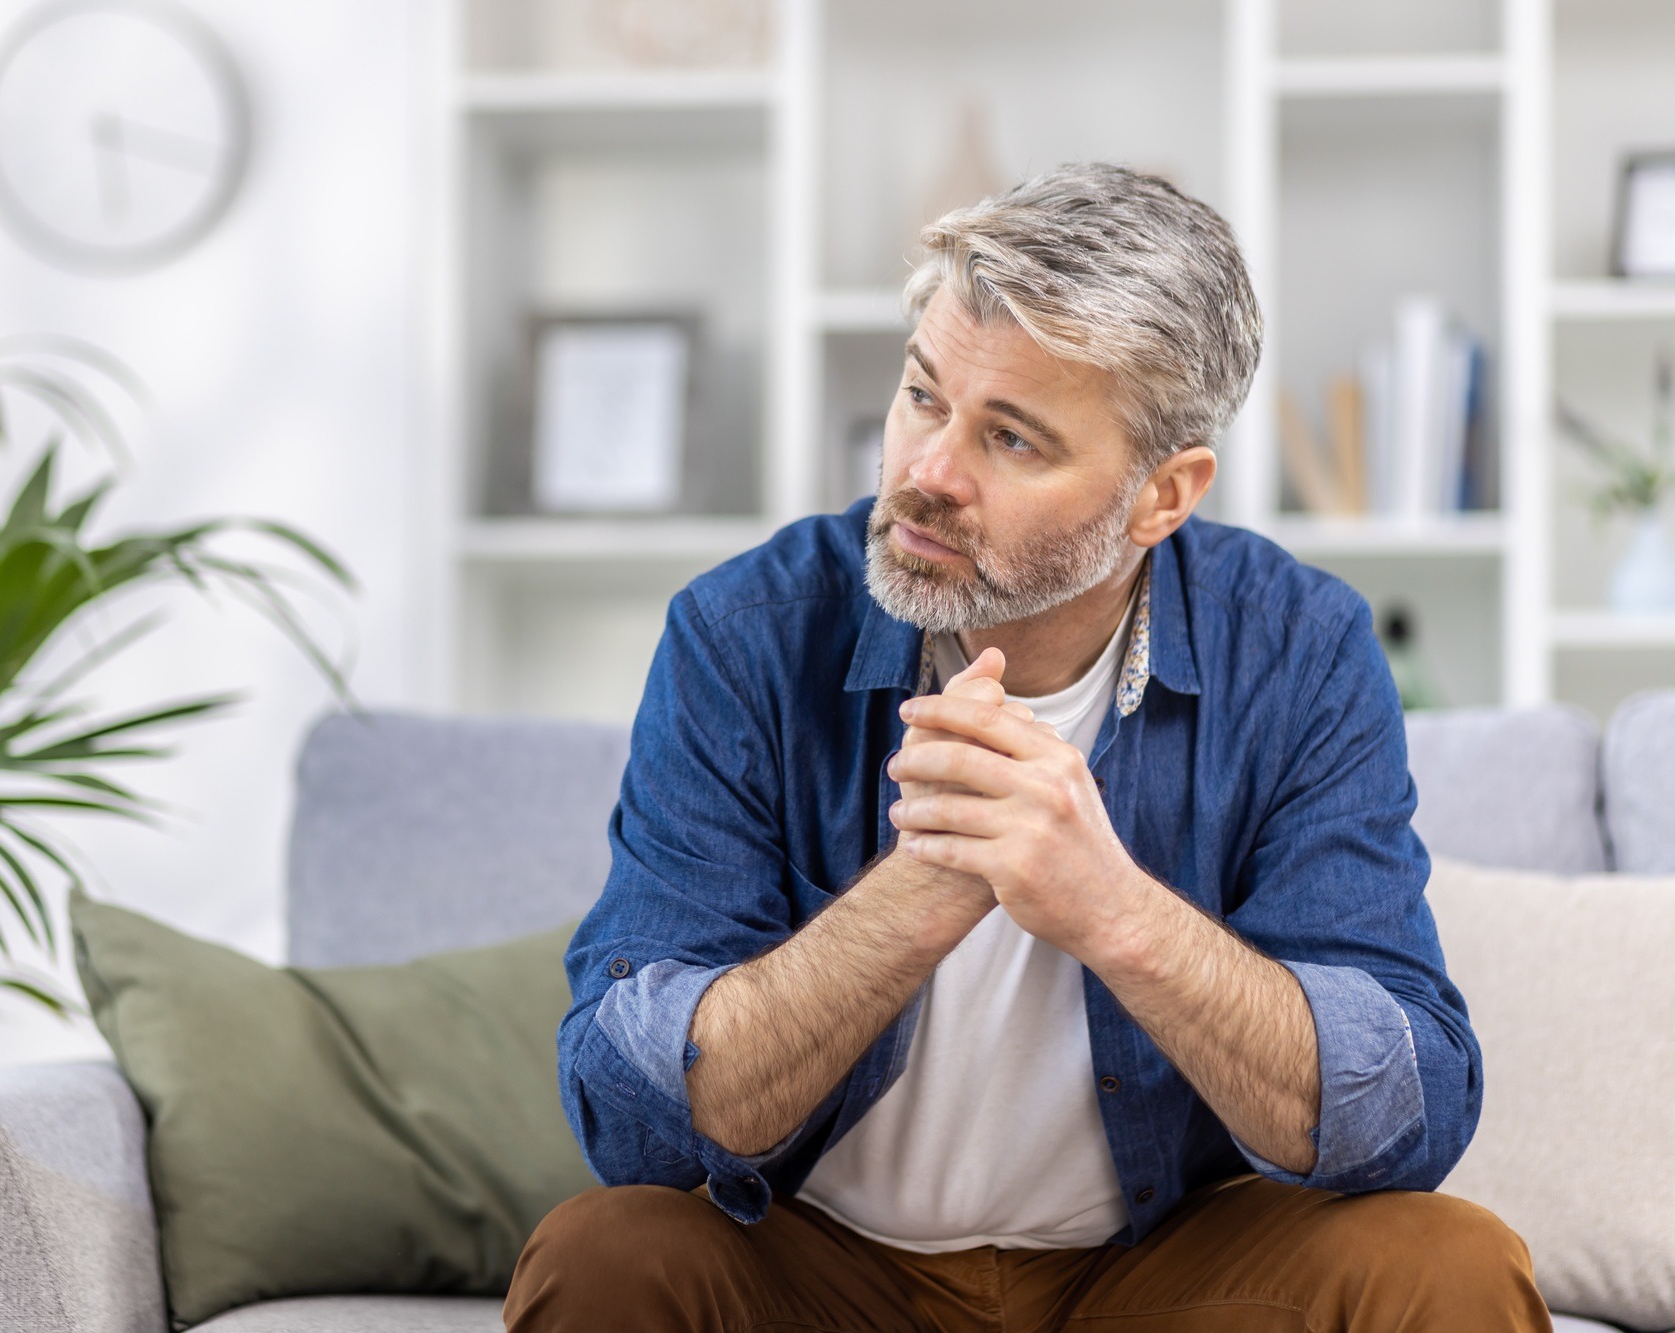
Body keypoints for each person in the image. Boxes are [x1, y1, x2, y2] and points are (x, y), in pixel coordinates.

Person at [504, 164, 1547, 1331]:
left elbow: (1409, 1106)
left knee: (1444, 1265)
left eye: (1009, 438)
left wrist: (1110, 911)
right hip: (823, 1266)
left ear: (1161, 496)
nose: (925, 473)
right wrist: (915, 897)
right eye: (920, 397)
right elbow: (624, 1111)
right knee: (604, 1253)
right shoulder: (743, 634)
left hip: (1155, 1274)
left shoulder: (1298, 647)